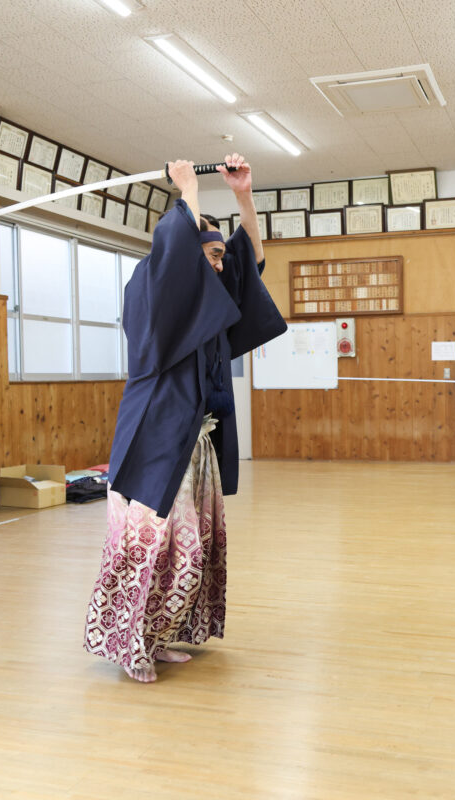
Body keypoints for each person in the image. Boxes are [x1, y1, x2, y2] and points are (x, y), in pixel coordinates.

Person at [84, 155, 287, 682]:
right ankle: (132, 649)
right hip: (155, 444)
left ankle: (159, 636)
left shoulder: (209, 306)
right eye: (211, 256)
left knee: (192, 552)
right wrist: (187, 191)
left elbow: (249, 266)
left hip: (194, 445)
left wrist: (243, 195)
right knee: (155, 550)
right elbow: (176, 261)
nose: (220, 266)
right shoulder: (152, 291)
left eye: (221, 257)